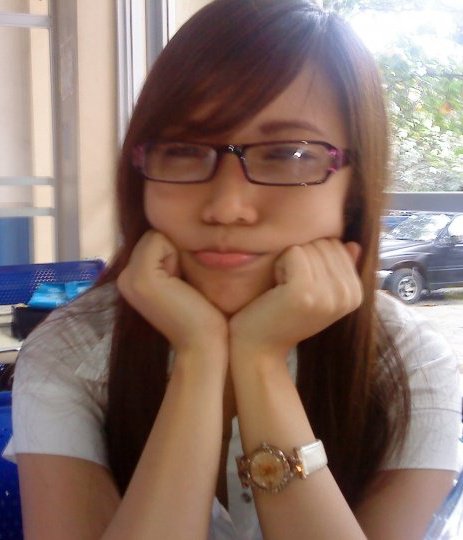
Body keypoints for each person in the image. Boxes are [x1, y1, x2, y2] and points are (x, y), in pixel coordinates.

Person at [3, 0, 462, 538]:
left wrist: (260, 360)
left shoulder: (409, 363)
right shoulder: (73, 348)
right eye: (181, 150)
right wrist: (198, 358)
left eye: (288, 155)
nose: (226, 207)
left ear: (354, 191)